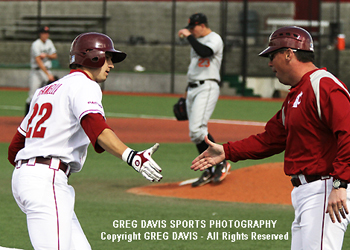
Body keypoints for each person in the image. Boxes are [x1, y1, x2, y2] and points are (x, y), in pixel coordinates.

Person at [191, 26, 350, 250]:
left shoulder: (322, 85)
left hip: (326, 188)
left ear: (289, 54)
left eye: (272, 55)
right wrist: (227, 151)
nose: (269, 63)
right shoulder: (297, 93)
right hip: (308, 193)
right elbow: (270, 139)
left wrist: (340, 182)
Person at [8, 32, 162, 250]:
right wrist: (132, 156)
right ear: (93, 57)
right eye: (108, 58)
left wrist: (28, 174)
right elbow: (96, 127)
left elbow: (15, 147)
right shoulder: (85, 85)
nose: (111, 65)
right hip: (46, 180)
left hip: (31, 177)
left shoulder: (45, 90)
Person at [178, 13, 231, 187]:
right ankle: (210, 167)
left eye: (194, 28)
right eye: (190, 29)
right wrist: (186, 94)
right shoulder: (197, 40)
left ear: (202, 25)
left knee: (198, 128)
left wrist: (189, 37)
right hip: (193, 88)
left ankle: (221, 161)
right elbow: (194, 68)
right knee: (195, 134)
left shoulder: (214, 38)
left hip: (207, 86)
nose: (192, 31)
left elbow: (205, 52)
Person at [26, 26, 58, 115]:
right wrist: (48, 74)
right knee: (33, 96)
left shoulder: (49, 42)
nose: (46, 35)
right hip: (37, 72)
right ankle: (27, 118)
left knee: (49, 95)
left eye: (47, 33)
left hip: (47, 70)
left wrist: (46, 55)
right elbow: (38, 61)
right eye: (44, 33)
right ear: (40, 34)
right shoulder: (36, 44)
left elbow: (55, 55)